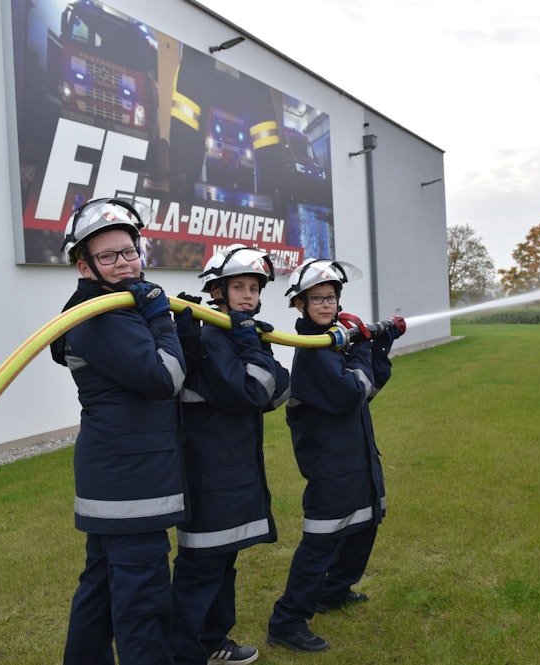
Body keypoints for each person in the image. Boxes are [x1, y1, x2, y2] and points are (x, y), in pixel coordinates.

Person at [50, 197, 187, 665]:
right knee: (143, 602)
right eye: (108, 256)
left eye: (129, 251)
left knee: (102, 589)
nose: (125, 263)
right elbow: (164, 378)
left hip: (116, 476)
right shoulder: (101, 315)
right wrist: (162, 319)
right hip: (131, 481)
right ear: (84, 266)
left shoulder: (116, 308)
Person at [266, 258, 405, 653]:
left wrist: (378, 347)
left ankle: (334, 592)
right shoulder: (313, 352)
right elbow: (348, 393)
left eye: (330, 297)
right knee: (322, 542)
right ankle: (287, 620)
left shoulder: (336, 343)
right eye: (317, 299)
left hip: (356, 455)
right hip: (331, 466)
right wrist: (360, 345)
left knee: (364, 525)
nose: (326, 305)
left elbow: (368, 390)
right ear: (300, 305)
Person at [171, 244, 291, 665]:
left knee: (223, 562)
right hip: (211, 471)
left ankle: (213, 639)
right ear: (216, 291)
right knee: (201, 567)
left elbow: (279, 393)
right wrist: (253, 348)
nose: (248, 296)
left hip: (233, 470)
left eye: (254, 288)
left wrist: (255, 346)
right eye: (238, 286)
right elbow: (253, 391)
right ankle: (184, 653)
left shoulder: (238, 336)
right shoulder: (211, 336)